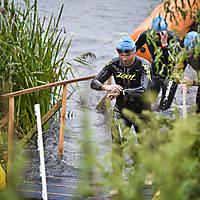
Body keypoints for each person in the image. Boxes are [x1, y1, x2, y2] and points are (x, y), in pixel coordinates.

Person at [90, 36, 152, 179]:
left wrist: (122, 91)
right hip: (121, 111)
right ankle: (117, 181)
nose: (124, 58)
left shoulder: (144, 65)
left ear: (134, 51)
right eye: (121, 54)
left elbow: (144, 90)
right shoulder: (114, 64)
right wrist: (106, 86)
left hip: (141, 111)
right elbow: (94, 82)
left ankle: (148, 174)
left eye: (128, 54)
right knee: (117, 145)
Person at [135, 16, 181, 111]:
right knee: (148, 104)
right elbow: (133, 50)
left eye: (160, 34)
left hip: (170, 75)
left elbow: (171, 60)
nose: (157, 37)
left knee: (164, 108)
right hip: (155, 73)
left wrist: (164, 45)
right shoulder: (146, 35)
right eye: (155, 34)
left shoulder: (174, 38)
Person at [177, 31, 200, 113]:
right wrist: (182, 80)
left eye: (192, 51)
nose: (189, 54)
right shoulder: (185, 53)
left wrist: (191, 82)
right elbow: (175, 73)